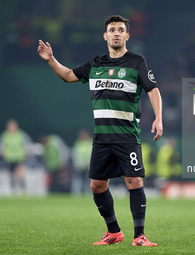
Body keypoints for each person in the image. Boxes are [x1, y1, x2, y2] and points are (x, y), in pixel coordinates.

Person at [37, 15, 162, 247]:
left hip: (127, 136)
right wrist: (51, 59)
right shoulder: (96, 64)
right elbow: (67, 76)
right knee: (97, 185)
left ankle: (139, 235)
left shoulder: (137, 62)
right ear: (105, 35)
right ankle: (113, 232)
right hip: (102, 138)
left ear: (127, 35)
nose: (116, 33)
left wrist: (159, 118)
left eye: (120, 29)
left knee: (134, 181)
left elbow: (153, 90)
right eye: (112, 30)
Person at [0, 119, 32, 195]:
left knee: (20, 174)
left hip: (19, 157)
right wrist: (2, 152)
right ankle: (13, 190)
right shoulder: (5, 135)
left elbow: (27, 144)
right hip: (9, 158)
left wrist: (25, 151)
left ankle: (23, 190)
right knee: (11, 175)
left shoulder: (21, 134)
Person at [72, 129, 93, 194]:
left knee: (88, 180)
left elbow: (91, 153)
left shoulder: (91, 142)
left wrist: (86, 163)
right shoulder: (78, 143)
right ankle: (76, 193)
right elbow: (75, 154)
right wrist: (79, 163)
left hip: (89, 166)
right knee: (78, 180)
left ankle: (89, 193)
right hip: (79, 166)